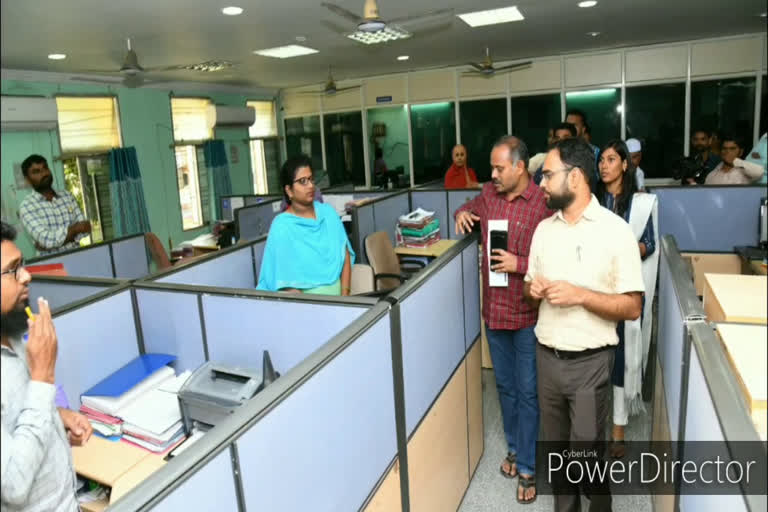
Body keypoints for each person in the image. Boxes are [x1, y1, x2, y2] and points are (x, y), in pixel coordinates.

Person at [524, 138, 644, 512]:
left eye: (547, 175)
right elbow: (529, 291)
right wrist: (536, 289)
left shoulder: (615, 231)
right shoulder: (544, 230)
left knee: (586, 456)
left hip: (591, 364)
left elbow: (633, 306)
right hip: (547, 359)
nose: (540, 184)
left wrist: (580, 295)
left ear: (574, 177)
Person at [455, 136, 551, 504]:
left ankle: (528, 465)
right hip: (494, 313)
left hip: (527, 316)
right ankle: (514, 448)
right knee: (506, 389)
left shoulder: (542, 204)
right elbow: (468, 206)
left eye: (498, 168)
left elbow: (553, 261)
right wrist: (460, 213)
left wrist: (519, 264)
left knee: (528, 393)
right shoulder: (488, 194)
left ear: (519, 167)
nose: (492, 174)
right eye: (491, 168)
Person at [1, 220, 93, 511]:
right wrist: (43, 377)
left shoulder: (12, 334)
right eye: (13, 270)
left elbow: (21, 413)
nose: (26, 276)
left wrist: (57, 416)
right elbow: (13, 485)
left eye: (23, 264)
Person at [596, 140, 660, 458]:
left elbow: (649, 243)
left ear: (625, 164)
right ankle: (592, 424)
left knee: (621, 359)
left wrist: (619, 252)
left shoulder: (642, 203)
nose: (604, 165)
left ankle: (618, 428)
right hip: (594, 289)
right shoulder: (591, 201)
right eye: (601, 160)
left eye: (611, 159)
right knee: (594, 358)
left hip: (624, 291)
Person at [257, 155, 354, 295]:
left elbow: (344, 257)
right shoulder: (282, 226)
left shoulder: (328, 213)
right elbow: (285, 283)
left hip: (342, 302)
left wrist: (345, 295)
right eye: (303, 181)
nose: (310, 185)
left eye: (311, 179)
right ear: (289, 190)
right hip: (305, 308)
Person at [19, 155, 91, 256]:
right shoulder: (27, 206)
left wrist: (50, 244)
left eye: (45, 168)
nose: (44, 173)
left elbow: (85, 228)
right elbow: (47, 240)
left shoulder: (67, 195)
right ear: (27, 179)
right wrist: (75, 229)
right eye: (36, 172)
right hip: (52, 265)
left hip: (77, 257)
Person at [565, 109, 600, 186]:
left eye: (574, 126)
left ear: (583, 129)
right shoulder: (559, 152)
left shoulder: (595, 152)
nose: (570, 129)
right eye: (568, 125)